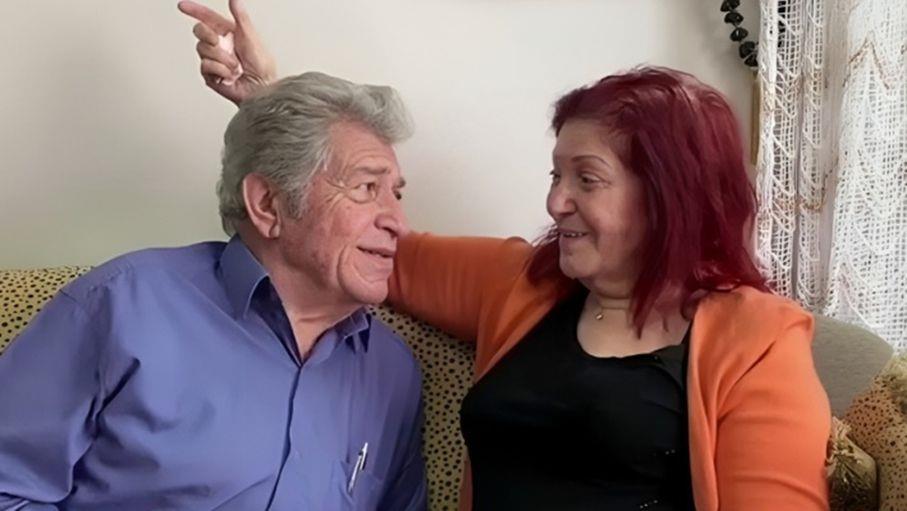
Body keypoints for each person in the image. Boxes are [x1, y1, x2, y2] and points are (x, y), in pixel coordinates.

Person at [179, 2, 832, 510]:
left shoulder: (758, 341)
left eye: (586, 178)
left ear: (669, 197)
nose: (555, 202)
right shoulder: (519, 284)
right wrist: (273, 112)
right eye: (555, 175)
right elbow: (351, 242)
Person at [0, 71, 427, 510]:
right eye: (366, 188)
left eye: (395, 195)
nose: (399, 223)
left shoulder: (392, 373)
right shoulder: (119, 308)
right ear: (267, 205)